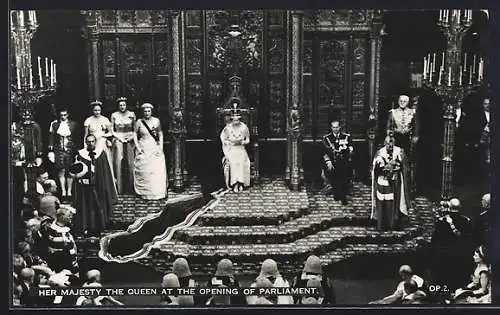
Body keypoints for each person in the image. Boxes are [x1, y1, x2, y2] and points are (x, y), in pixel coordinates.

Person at [71, 134, 118, 236]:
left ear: (95, 142)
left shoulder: (101, 153)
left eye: (92, 141)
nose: (91, 143)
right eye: (89, 142)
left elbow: (106, 171)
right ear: (86, 142)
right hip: (85, 186)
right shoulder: (81, 154)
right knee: (86, 205)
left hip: (98, 185)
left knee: (98, 205)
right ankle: (86, 226)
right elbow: (76, 170)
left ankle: (99, 226)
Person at [371, 135, 410, 230]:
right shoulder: (380, 153)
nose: (390, 145)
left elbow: (405, 166)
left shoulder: (399, 151)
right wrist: (385, 168)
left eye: (392, 143)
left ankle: (395, 220)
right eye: (388, 143)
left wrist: (397, 166)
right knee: (383, 202)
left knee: (396, 200)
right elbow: (375, 169)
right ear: (385, 143)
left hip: (396, 182)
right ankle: (383, 222)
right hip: (383, 181)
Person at [133, 103, 167, 200]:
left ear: (151, 112)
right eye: (145, 111)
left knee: (155, 170)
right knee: (145, 170)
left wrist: (160, 147)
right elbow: (134, 134)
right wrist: (138, 147)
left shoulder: (156, 121)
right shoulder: (139, 122)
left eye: (148, 111)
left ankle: (157, 193)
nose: (147, 113)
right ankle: (144, 193)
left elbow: (160, 134)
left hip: (154, 146)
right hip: (143, 146)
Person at [48, 108, 79, 200]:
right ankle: (63, 191)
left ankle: (69, 191)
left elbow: (77, 137)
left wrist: (77, 149)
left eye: (65, 115)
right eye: (61, 115)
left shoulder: (74, 124)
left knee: (70, 170)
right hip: (59, 149)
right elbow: (51, 136)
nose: (63, 117)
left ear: (68, 115)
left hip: (71, 149)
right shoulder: (54, 124)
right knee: (61, 170)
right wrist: (51, 147)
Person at [321, 119, 354, 205]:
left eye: (337, 127)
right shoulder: (327, 138)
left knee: (345, 174)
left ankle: (343, 196)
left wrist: (350, 150)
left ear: (340, 127)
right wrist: (328, 162)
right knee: (335, 175)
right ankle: (338, 193)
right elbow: (324, 152)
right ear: (331, 128)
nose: (335, 129)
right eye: (333, 127)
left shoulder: (346, 137)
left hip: (344, 161)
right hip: (333, 162)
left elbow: (350, 148)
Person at [220, 105, 251, 193]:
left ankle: (241, 183)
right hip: (232, 149)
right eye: (234, 120)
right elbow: (224, 139)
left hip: (241, 149)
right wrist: (228, 143)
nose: (236, 121)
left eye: (237, 120)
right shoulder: (227, 128)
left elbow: (248, 139)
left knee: (241, 162)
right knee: (233, 162)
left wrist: (243, 142)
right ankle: (235, 184)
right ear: (231, 119)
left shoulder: (244, 127)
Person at [83, 101, 115, 184]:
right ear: (92, 111)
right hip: (92, 143)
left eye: (98, 110)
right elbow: (86, 134)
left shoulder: (105, 119)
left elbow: (111, 132)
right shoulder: (88, 120)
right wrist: (85, 145)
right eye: (95, 110)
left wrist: (103, 136)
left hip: (102, 142)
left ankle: (108, 182)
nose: (97, 112)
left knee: (105, 161)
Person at [111, 97, 136, 194]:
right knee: (118, 162)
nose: (122, 107)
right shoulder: (114, 115)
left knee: (131, 162)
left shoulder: (131, 114)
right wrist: (119, 138)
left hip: (130, 138)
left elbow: (134, 128)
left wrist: (131, 137)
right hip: (118, 138)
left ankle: (131, 186)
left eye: (124, 105)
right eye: (120, 105)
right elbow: (112, 130)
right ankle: (119, 188)